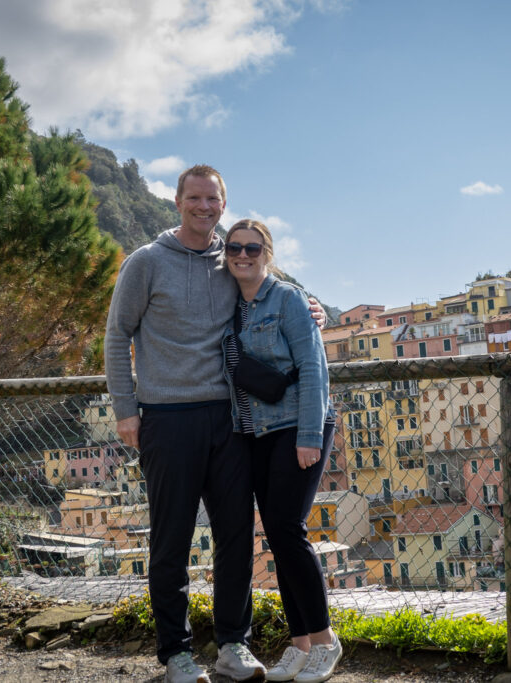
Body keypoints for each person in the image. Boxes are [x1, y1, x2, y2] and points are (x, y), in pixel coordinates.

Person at [104, 166, 324, 683]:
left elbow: (275, 294)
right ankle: (177, 654)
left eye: (213, 199)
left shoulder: (232, 259)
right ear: (178, 201)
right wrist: (126, 410)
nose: (204, 206)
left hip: (230, 421)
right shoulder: (146, 263)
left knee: (234, 536)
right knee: (172, 538)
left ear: (223, 205)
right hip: (167, 419)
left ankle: (232, 646)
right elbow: (117, 337)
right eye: (195, 198)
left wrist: (316, 310)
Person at [222, 219, 342, 683]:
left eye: (253, 247)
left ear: (267, 253)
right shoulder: (228, 304)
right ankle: (299, 645)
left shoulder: (289, 299)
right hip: (253, 432)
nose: (243, 255)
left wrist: (310, 435)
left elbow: (315, 369)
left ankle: (326, 642)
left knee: (288, 531)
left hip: (297, 425)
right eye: (235, 248)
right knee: (276, 533)